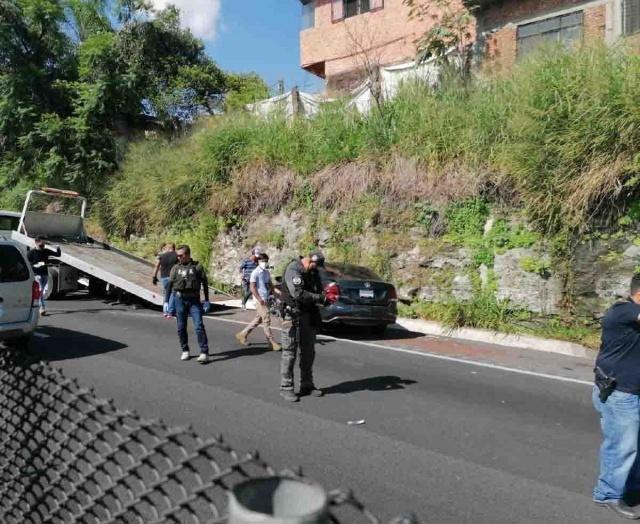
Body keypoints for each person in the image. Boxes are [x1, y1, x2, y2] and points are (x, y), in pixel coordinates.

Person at [592, 274, 640, 519]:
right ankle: (607, 494)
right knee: (622, 446)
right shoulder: (623, 312)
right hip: (620, 394)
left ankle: (632, 489)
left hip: (633, 391)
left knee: (635, 446)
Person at [279, 251, 334, 402]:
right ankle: (286, 387)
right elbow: (297, 293)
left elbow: (318, 290)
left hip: (308, 316)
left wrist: (327, 297)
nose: (315, 269)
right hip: (292, 316)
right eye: (315, 265)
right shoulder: (293, 269)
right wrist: (319, 297)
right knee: (289, 353)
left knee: (309, 352)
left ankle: (307, 384)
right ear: (310, 261)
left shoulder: (313, 272)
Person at [164, 245, 211, 364]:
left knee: (199, 326)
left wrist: (206, 300)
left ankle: (204, 352)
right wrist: (166, 301)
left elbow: (205, 284)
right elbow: (169, 285)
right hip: (179, 300)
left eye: (181, 255)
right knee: (181, 327)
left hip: (194, 300)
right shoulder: (175, 268)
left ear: (188, 254)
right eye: (178, 255)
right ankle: (185, 349)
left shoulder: (198, 267)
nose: (178, 257)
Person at [235, 253, 281, 351]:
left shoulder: (266, 273)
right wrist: (259, 299)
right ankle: (271, 342)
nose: (264, 263)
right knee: (266, 318)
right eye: (262, 261)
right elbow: (252, 288)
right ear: (258, 261)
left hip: (266, 299)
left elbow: (270, 285)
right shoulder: (255, 273)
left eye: (265, 261)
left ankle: (243, 334)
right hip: (259, 300)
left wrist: (279, 292)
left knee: (258, 319)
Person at [27, 236, 61, 316]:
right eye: (41, 244)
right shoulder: (31, 253)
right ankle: (42, 308)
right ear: (36, 242)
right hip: (36, 274)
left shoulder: (45, 251)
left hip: (45, 273)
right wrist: (34, 265)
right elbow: (27, 262)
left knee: (40, 291)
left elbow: (58, 254)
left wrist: (58, 248)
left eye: (44, 244)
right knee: (40, 290)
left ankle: (34, 305)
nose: (43, 246)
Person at [153, 243, 177, 318]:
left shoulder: (161, 256)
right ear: (173, 248)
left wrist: (154, 276)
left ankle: (165, 311)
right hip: (173, 277)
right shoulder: (177, 255)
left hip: (164, 278)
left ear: (167, 248)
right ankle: (170, 311)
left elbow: (156, 266)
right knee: (173, 293)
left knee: (166, 293)